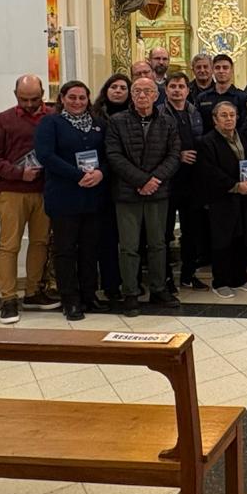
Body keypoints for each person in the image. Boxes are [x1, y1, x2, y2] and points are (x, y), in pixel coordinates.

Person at [0, 74, 57, 323]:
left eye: (34, 99)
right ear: (15, 95)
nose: (29, 104)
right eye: (24, 99)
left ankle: (33, 291)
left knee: (40, 242)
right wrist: (18, 173)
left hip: (45, 191)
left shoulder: (53, 117)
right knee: (9, 245)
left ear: (43, 94)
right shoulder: (2, 120)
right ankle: (8, 298)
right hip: (12, 191)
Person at [105, 77, 181, 316]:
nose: (142, 95)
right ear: (131, 95)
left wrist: (154, 179)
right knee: (129, 246)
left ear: (156, 96)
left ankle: (158, 289)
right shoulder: (117, 121)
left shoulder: (168, 122)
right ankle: (130, 293)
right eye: (137, 91)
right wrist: (141, 180)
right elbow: (114, 155)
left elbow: (174, 154)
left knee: (158, 244)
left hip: (158, 192)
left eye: (148, 91)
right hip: (127, 193)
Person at [34, 80, 109, 321]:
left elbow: (109, 154)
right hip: (64, 195)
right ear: (62, 99)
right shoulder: (50, 123)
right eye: (72, 97)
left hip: (93, 196)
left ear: (88, 99)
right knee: (65, 250)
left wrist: (101, 173)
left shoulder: (99, 124)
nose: (77, 102)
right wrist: (78, 175)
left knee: (90, 249)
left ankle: (89, 294)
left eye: (82, 98)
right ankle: (70, 299)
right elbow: (46, 155)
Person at [196, 101, 247, 298]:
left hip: (246, 197)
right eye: (224, 115)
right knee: (222, 241)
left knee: (241, 238)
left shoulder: (245, 137)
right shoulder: (207, 142)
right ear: (215, 119)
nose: (229, 119)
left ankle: (240, 278)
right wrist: (235, 186)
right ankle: (221, 281)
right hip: (222, 198)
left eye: (232, 115)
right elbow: (209, 172)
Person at [159, 73, 207, 291]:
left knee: (191, 232)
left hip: (192, 181)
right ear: (166, 90)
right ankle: (166, 278)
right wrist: (177, 156)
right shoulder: (159, 113)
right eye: (173, 86)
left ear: (188, 90)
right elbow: (154, 146)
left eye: (181, 86)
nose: (177, 90)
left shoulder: (194, 112)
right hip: (169, 182)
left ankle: (188, 274)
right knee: (165, 233)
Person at [91, 74, 130, 300]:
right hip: (102, 182)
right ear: (106, 90)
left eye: (123, 87)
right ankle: (110, 284)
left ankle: (130, 282)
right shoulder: (94, 116)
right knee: (106, 238)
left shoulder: (135, 115)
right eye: (114, 87)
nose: (118, 91)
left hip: (128, 183)